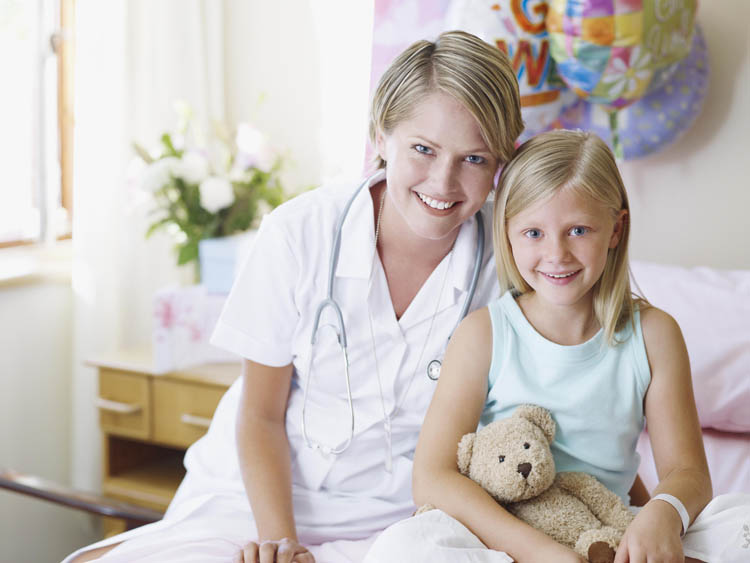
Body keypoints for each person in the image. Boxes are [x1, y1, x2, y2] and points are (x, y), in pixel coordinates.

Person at [63, 30, 524, 563]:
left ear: (500, 164)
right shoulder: (300, 233)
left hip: (409, 516)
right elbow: (260, 415)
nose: (443, 182)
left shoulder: (511, 260)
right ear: (380, 136)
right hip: (260, 502)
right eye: (423, 149)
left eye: (474, 159)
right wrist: (281, 543)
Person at [364, 130, 750, 563]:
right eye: (533, 232)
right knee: (404, 547)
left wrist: (661, 515)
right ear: (508, 233)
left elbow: (688, 473)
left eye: (578, 230)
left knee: (742, 523)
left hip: (605, 530)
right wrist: (542, 553)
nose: (556, 254)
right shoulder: (484, 334)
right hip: (503, 538)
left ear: (615, 229)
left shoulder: (655, 335)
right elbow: (432, 477)